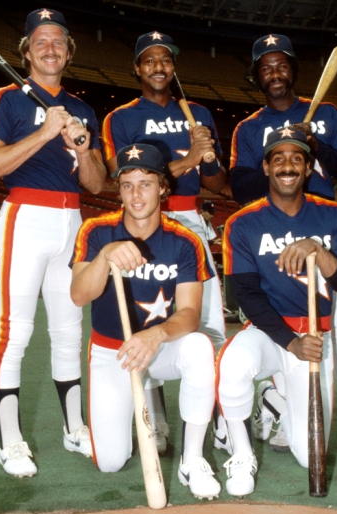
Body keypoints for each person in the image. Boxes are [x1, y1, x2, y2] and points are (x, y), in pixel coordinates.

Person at [229, 33, 337, 463]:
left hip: (326, 233)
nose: (275, 73)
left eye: (281, 64)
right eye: (266, 67)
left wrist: (316, 147)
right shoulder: (249, 127)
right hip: (274, 236)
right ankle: (280, 402)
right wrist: (284, 157)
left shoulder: (327, 114)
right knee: (280, 324)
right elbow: (241, 187)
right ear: (257, 75)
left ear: (293, 70)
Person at [0, 8, 106, 478]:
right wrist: (45, 132)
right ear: (26, 51)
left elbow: (96, 183)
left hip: (71, 219)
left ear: (69, 52)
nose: (50, 48)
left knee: (69, 331)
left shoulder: (82, 108)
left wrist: (82, 149)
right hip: (26, 217)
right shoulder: (5, 100)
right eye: (40, 41)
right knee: (15, 332)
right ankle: (11, 442)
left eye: (58, 41)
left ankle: (74, 428)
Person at [218, 127, 337, 496]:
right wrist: (289, 342)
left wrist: (319, 250)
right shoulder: (243, 222)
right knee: (234, 361)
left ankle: (274, 399)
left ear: (308, 168)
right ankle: (241, 453)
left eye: (297, 158)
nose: (288, 166)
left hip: (315, 338)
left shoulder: (333, 215)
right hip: (271, 334)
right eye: (279, 159)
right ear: (266, 167)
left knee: (308, 454)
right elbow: (245, 295)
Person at [70, 143, 220, 500]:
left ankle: (192, 459)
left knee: (199, 347)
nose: (136, 195)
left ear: (163, 188)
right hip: (114, 351)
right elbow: (78, 295)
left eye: (146, 184)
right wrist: (105, 257)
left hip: (161, 347)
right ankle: (130, 417)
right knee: (111, 461)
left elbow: (189, 315)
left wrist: (155, 335)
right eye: (127, 185)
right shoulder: (96, 231)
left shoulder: (185, 240)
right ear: (119, 190)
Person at [102, 31, 228, 450]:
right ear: (137, 68)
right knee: (147, 315)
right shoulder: (121, 117)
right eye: (150, 60)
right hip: (143, 220)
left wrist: (207, 156)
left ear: (174, 67)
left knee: (208, 319)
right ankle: (153, 416)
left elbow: (216, 183)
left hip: (189, 217)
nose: (159, 67)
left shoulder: (198, 113)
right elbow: (124, 177)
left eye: (166, 60)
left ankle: (220, 416)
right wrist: (188, 158)